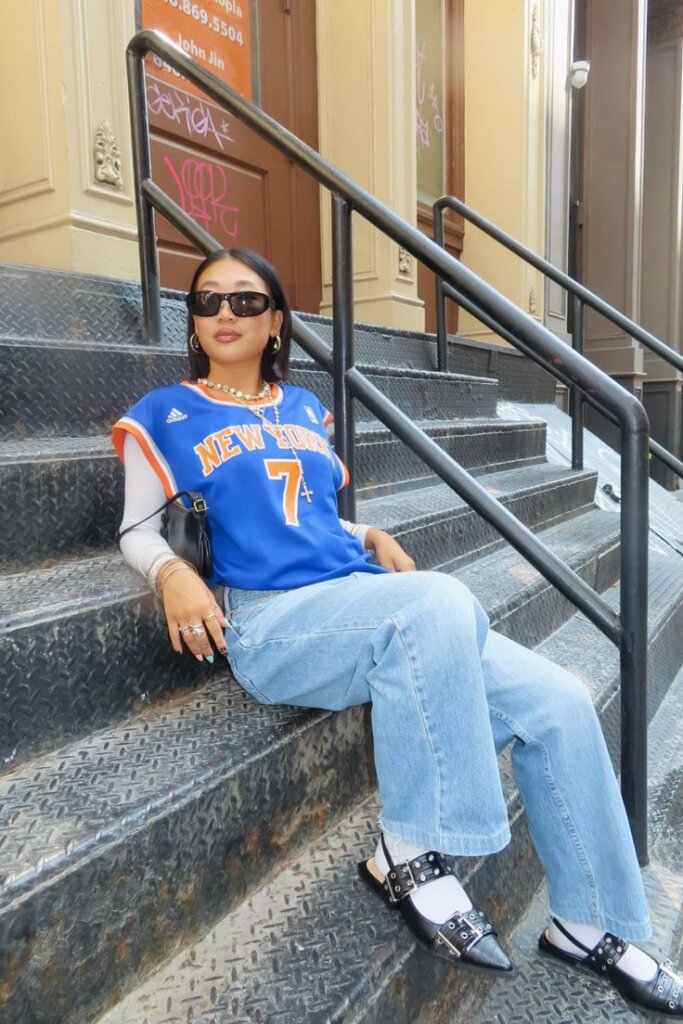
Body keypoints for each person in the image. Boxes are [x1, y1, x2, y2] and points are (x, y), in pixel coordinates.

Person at [113, 247, 683, 1016]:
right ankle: (409, 851)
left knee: (557, 700)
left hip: (359, 596)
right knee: (436, 602)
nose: (223, 314)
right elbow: (136, 529)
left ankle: (588, 923)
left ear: (276, 321)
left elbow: (303, 510)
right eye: (207, 300)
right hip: (272, 621)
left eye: (246, 302)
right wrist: (171, 574)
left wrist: (367, 530)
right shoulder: (166, 410)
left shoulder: (304, 409)